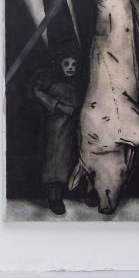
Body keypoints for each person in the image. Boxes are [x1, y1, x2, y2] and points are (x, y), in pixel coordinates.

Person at [30, 52, 83, 215]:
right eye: (67, 64)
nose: (70, 68)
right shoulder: (48, 79)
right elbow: (37, 91)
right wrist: (58, 105)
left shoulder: (78, 82)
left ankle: (85, 194)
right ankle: (54, 198)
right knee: (56, 160)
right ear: (59, 64)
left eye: (74, 65)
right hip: (57, 126)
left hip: (75, 125)